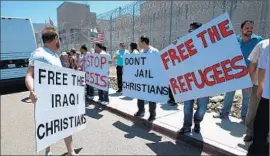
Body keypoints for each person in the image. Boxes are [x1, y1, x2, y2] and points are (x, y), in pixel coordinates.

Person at [25, 27, 77, 156]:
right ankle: (48, 151)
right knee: (49, 126)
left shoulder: (54, 55)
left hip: (59, 98)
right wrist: (32, 91)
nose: (60, 41)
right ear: (55, 39)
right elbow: (29, 75)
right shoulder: (39, 53)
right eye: (59, 38)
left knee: (66, 124)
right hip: (46, 99)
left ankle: (71, 152)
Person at [213, 20, 264, 121]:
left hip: (249, 74)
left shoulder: (258, 41)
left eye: (251, 28)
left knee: (246, 97)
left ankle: (244, 117)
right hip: (234, 73)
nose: (250, 30)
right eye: (247, 28)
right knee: (229, 94)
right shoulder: (235, 40)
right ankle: (224, 113)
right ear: (241, 29)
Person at [175, 22, 209, 134]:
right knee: (187, 106)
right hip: (188, 80)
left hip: (204, 81)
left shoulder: (208, 44)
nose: (190, 33)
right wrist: (174, 47)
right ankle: (186, 126)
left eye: (192, 31)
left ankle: (197, 121)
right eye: (189, 31)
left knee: (202, 107)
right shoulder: (183, 45)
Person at [244, 39, 269, 142]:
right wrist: (250, 81)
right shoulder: (263, 44)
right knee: (253, 110)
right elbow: (253, 64)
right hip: (259, 85)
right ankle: (250, 133)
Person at [134, 36, 159, 122]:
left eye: (139, 42)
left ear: (143, 42)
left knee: (151, 97)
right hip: (142, 77)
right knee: (140, 95)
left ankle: (152, 114)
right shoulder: (141, 52)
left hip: (151, 79)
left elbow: (159, 65)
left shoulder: (154, 52)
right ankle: (141, 111)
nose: (138, 43)